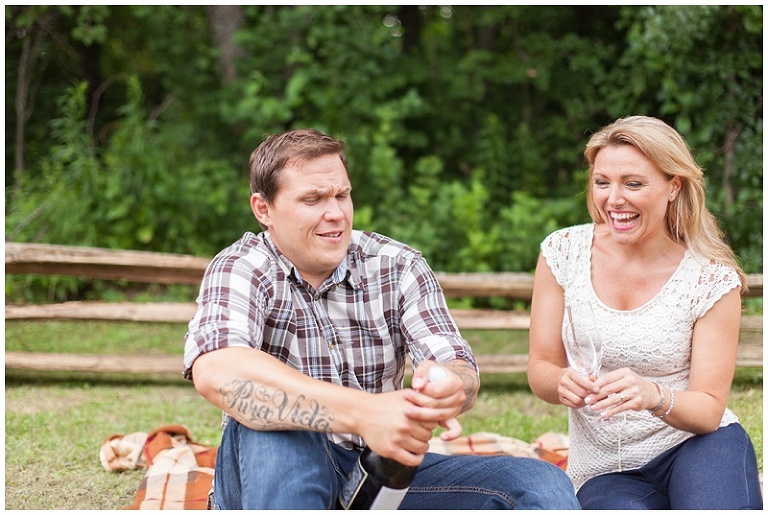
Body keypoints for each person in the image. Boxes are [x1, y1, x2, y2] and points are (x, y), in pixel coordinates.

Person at [183, 128, 580, 510]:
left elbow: (460, 368)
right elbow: (218, 371)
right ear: (263, 209)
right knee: (280, 428)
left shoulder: (397, 264)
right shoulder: (242, 267)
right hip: (271, 471)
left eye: (342, 195)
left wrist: (448, 386)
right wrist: (365, 413)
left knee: (539, 481)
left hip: (377, 469)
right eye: (313, 199)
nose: (336, 213)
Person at [527, 115, 762, 509]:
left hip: (699, 443)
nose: (614, 199)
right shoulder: (562, 252)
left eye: (633, 184)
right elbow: (541, 367)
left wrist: (652, 395)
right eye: (602, 182)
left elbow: (708, 409)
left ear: (673, 187)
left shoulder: (711, 278)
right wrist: (561, 381)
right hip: (608, 470)